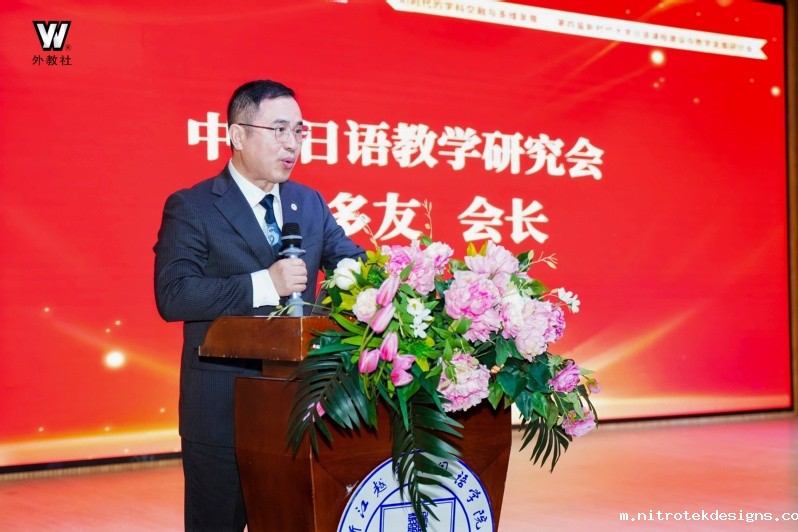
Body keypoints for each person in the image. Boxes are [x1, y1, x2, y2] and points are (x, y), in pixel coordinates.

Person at [153, 79, 365, 531]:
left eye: (299, 131)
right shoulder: (193, 207)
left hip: (297, 407)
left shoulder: (307, 202)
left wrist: (372, 278)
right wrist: (264, 285)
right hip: (222, 414)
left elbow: (351, 261)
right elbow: (174, 295)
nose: (292, 144)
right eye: (279, 130)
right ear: (238, 134)